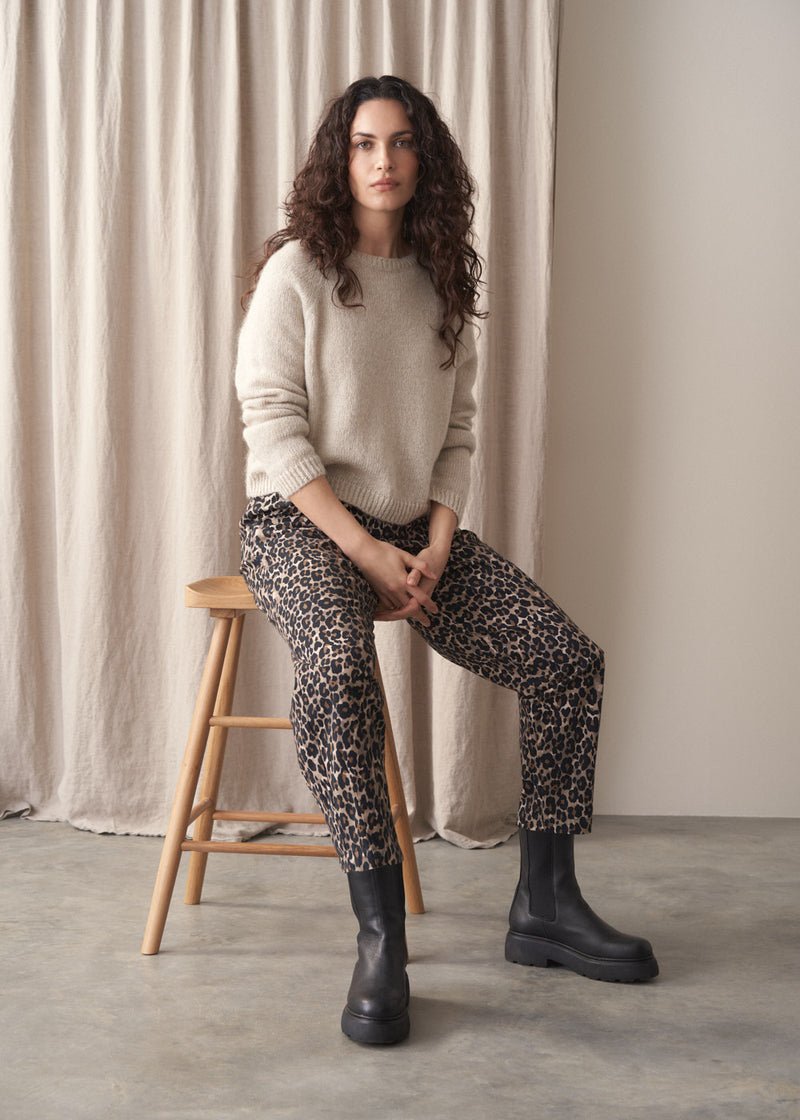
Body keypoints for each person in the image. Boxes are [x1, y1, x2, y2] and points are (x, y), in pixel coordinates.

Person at [236, 75, 657, 1046]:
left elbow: (457, 433)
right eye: (363, 144)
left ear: (424, 158)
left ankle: (545, 903)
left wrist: (430, 542)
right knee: (339, 673)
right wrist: (363, 553)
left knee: (565, 662)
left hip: (410, 532)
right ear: (339, 160)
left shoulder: (442, 283)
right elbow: (272, 424)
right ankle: (380, 938)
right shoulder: (298, 272)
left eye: (399, 142)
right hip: (300, 525)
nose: (382, 160)